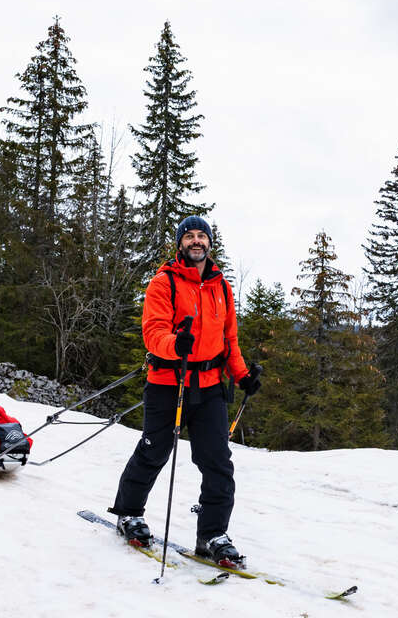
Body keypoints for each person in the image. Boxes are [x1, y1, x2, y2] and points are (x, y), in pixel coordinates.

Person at [109, 216, 262, 567]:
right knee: (154, 450)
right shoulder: (164, 283)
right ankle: (129, 513)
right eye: (189, 236)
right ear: (180, 244)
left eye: (202, 236)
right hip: (169, 383)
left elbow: (230, 340)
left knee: (218, 462)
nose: (196, 241)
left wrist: (241, 376)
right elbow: (153, 332)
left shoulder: (221, 286)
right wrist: (176, 344)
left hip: (209, 388)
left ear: (210, 243)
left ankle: (212, 535)